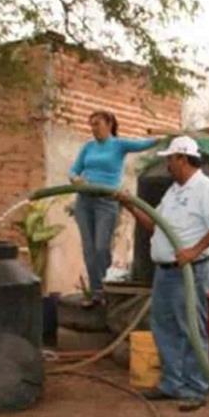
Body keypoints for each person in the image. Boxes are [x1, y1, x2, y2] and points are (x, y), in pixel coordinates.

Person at [117, 136, 209, 412]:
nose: (167, 164)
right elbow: (155, 226)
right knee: (163, 327)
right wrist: (131, 205)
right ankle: (172, 384)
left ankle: (195, 387)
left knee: (190, 327)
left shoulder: (207, 189)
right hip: (165, 273)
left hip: (190, 272)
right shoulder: (173, 192)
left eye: (170, 159)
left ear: (182, 158)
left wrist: (194, 250)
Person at [69, 110, 159, 307]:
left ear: (109, 124)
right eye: (91, 125)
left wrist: (169, 136)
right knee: (88, 249)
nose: (93, 129)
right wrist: (75, 178)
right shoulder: (88, 147)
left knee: (101, 247)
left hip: (106, 201)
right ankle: (96, 294)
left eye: (97, 124)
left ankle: (104, 284)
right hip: (85, 201)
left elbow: (145, 144)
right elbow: (74, 169)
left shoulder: (119, 145)